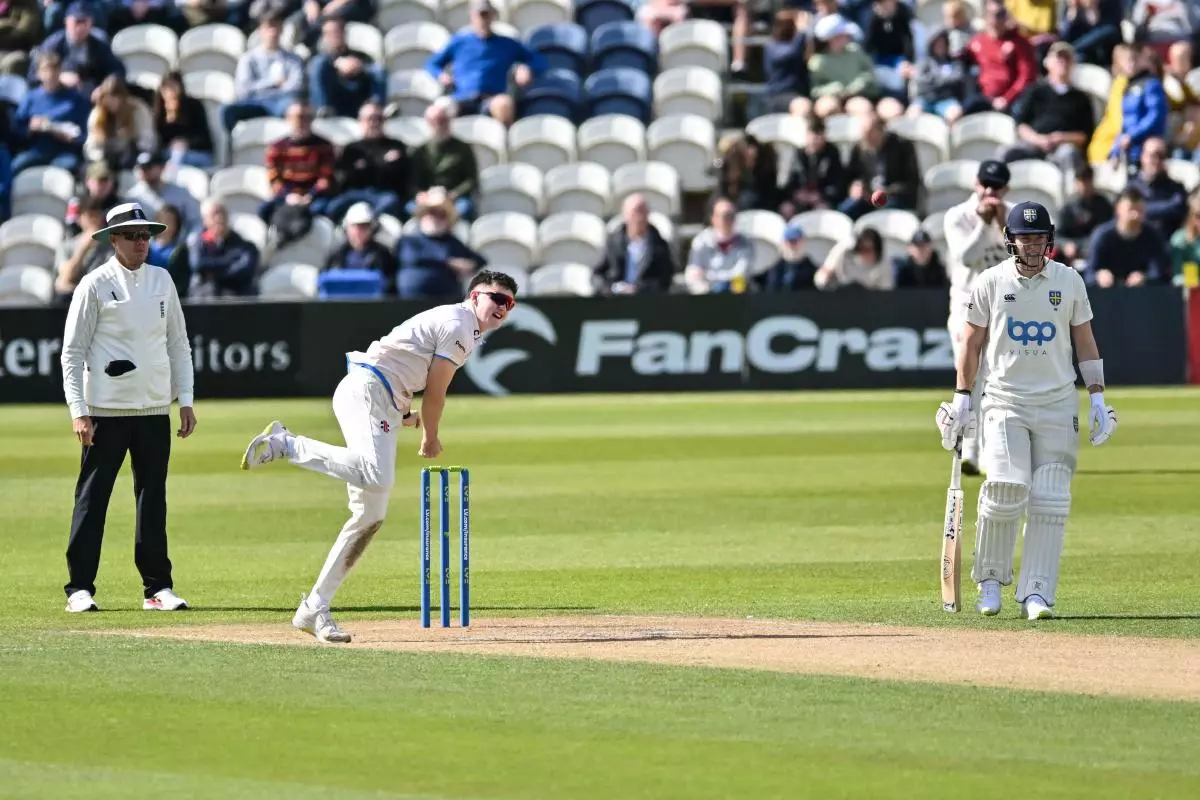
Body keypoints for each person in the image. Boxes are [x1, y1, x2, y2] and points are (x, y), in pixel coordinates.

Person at [238, 270, 519, 643]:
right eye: (496, 298)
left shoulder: (466, 328)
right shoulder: (459, 324)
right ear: (474, 295)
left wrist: (404, 415)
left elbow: (407, 366)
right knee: (377, 476)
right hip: (368, 389)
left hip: (383, 397)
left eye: (510, 303)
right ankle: (287, 444)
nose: (502, 307)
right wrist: (430, 437)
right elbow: (436, 391)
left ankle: (314, 608)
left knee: (371, 514)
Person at [936, 201, 1118, 621]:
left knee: (1051, 500)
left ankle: (1037, 592)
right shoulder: (990, 282)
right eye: (1025, 237)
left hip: (1057, 402)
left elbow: (1085, 340)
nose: (1033, 245)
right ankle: (990, 582)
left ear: (1049, 239)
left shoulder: (1069, 281)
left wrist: (1097, 397)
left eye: (1039, 237)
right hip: (1004, 401)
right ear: (1011, 241)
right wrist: (963, 395)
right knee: (1004, 489)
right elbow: (970, 341)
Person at [59, 202, 197, 613]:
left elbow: (178, 343)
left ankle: (157, 588)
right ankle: (79, 588)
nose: (141, 243)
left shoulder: (162, 280)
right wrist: (78, 410)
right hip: (105, 409)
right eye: (133, 236)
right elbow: (72, 352)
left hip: (154, 408)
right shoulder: (94, 284)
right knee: (93, 498)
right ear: (113, 239)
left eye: (146, 236)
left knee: (152, 498)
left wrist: (185, 399)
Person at [942, 159, 1013, 474]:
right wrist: (984, 224)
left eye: (996, 187)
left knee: (991, 379)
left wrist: (1000, 224)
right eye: (985, 184)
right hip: (966, 303)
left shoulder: (1012, 216)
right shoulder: (957, 216)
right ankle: (971, 450)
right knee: (971, 373)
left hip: (1001, 306)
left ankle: (980, 450)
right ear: (975, 183)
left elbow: (1021, 259)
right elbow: (967, 259)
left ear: (1005, 189)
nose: (989, 191)